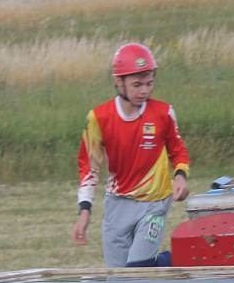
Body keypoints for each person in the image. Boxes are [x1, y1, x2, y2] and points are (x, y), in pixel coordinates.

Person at [72, 43, 190, 267]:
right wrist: (85, 210)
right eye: (137, 85)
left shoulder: (164, 113)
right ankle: (170, 266)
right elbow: (89, 167)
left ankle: (179, 262)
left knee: (138, 270)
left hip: (155, 202)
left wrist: (180, 176)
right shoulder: (99, 118)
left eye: (149, 84)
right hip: (117, 204)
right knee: (118, 281)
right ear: (119, 82)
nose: (144, 91)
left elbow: (178, 150)